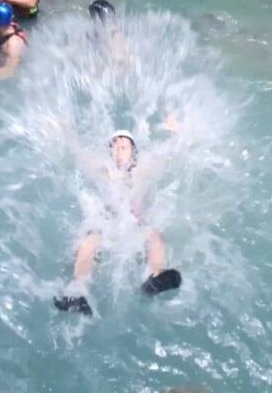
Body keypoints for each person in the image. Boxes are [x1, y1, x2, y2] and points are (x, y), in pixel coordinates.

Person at [54, 129, 182, 316]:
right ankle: (78, 291)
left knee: (153, 235)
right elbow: (77, 152)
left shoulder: (142, 172)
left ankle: (154, 276)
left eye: (124, 147)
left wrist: (175, 130)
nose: (119, 150)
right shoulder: (102, 174)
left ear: (133, 153)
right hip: (107, 227)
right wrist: (64, 128)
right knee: (89, 242)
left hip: (134, 227)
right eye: (115, 147)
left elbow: (169, 153)